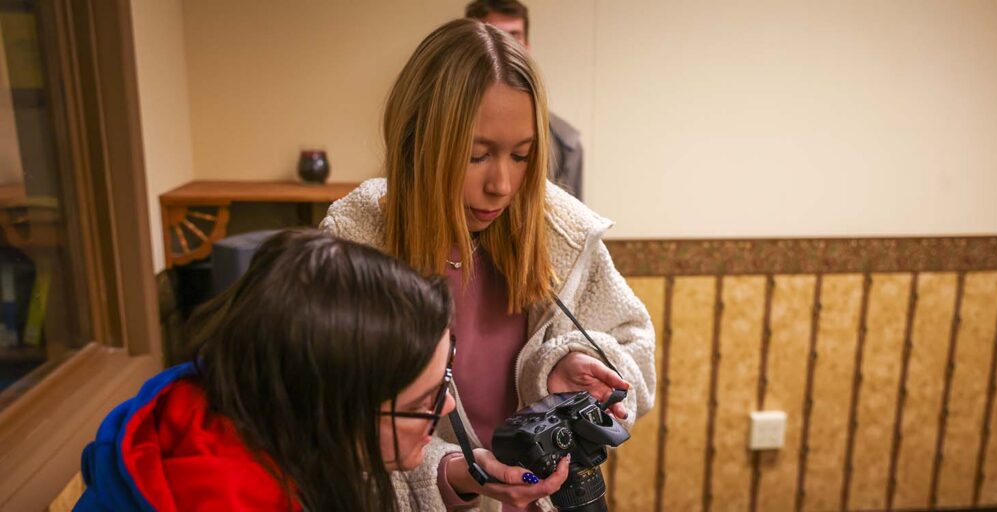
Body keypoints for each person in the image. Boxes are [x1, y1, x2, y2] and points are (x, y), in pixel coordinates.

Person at [320, 19, 655, 511]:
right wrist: (458, 472)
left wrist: (565, 363)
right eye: (477, 156)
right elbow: (336, 420)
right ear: (420, 141)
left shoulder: (559, 230)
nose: (502, 184)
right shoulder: (357, 243)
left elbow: (635, 354)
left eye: (522, 156)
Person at [73, 230, 456, 512]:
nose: (448, 405)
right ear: (324, 411)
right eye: (424, 401)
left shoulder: (219, 411)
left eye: (444, 384)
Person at [465, 0, 584, 201]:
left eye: (520, 156)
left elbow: (571, 225)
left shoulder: (566, 143)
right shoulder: (434, 124)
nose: (505, 46)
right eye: (477, 156)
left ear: (527, 45)